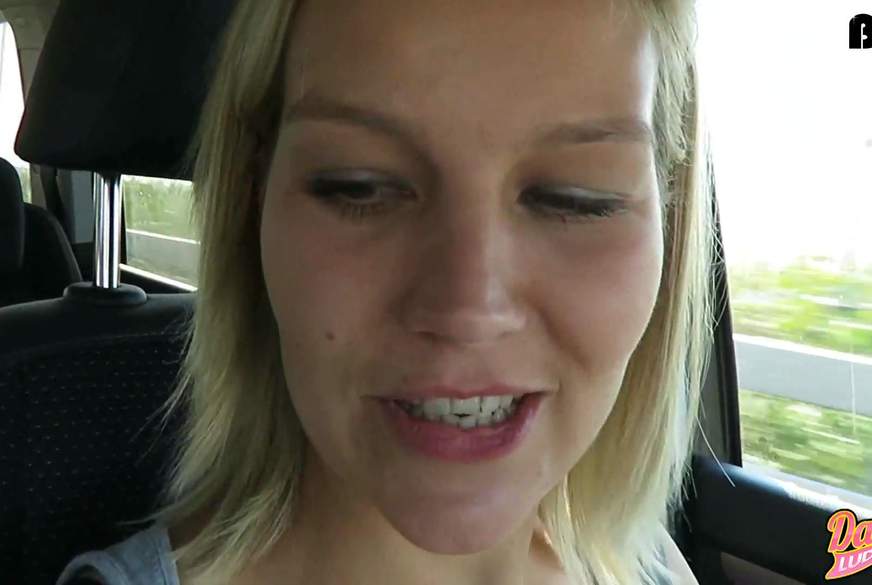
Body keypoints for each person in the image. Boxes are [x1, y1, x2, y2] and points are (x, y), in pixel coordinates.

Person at [56, 0, 713, 583]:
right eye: (359, 185)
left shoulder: (648, 565)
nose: (468, 310)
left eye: (577, 198)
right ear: (253, 204)